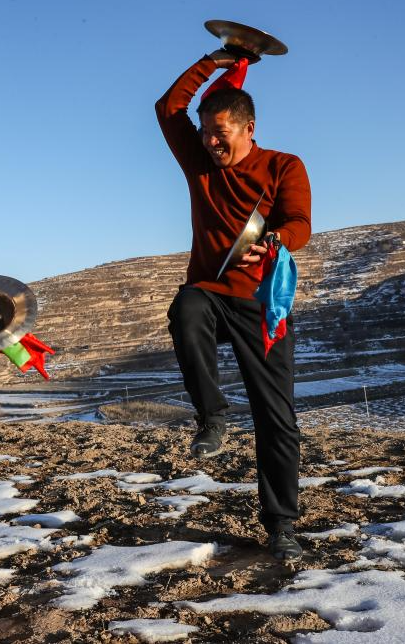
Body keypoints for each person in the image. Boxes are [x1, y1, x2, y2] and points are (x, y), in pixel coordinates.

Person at [154, 49, 312, 561]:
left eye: (220, 131)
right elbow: (167, 107)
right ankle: (213, 418)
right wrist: (211, 61)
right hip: (212, 294)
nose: (210, 141)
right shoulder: (200, 164)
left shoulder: (284, 165)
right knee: (187, 307)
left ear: (249, 128)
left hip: (262, 305)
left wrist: (279, 239)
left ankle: (281, 525)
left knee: (277, 419)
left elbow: (300, 223)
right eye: (204, 131)